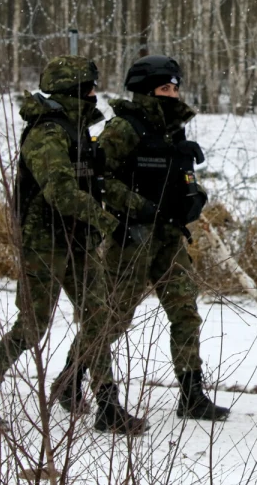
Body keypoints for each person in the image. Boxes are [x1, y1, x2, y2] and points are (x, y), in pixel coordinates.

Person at [0, 55, 145, 435]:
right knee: (32, 326)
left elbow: (89, 181)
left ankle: (107, 405)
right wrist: (106, 220)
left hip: (77, 240)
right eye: (90, 87)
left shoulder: (76, 131)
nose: (96, 93)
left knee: (98, 318)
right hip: (44, 244)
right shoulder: (48, 133)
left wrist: (135, 205)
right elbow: (61, 190)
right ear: (75, 90)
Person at [51, 55, 230, 422]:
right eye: (166, 87)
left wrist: (194, 196)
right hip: (131, 239)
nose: (173, 93)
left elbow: (178, 178)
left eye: (176, 87)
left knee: (185, 312)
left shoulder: (174, 129)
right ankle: (71, 378)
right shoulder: (123, 129)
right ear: (147, 90)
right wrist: (138, 206)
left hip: (169, 238)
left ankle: (192, 394)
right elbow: (101, 181)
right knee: (113, 318)